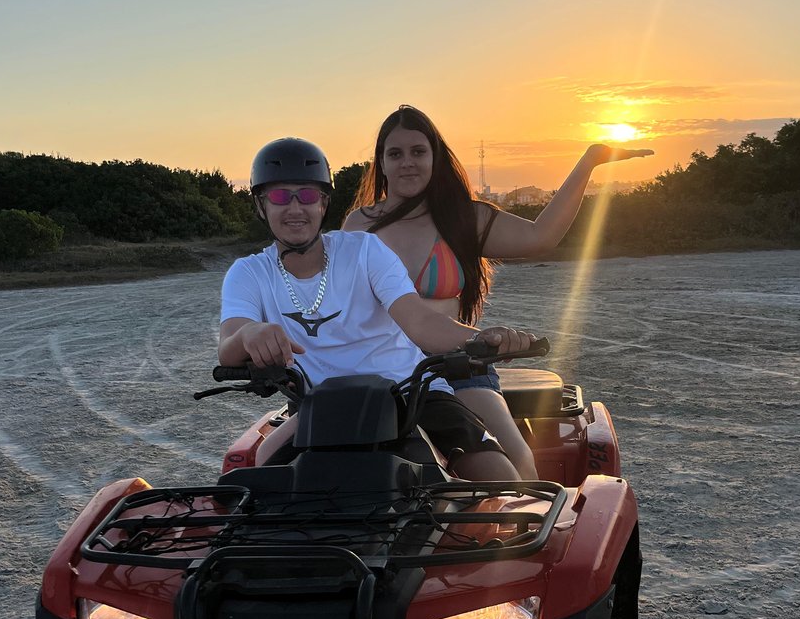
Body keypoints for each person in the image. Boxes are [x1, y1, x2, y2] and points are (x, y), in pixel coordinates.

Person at [343, 105, 654, 478]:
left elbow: (541, 236)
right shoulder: (360, 225)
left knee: (517, 463)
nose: (407, 162)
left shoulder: (464, 218)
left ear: (435, 158)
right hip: (381, 368)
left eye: (418, 151)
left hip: (455, 363)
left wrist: (589, 161)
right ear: (381, 163)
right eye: (395, 154)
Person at [218, 137, 537, 480]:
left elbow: (420, 321)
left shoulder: (365, 251)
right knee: (261, 485)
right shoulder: (249, 273)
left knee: (499, 478)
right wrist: (251, 334)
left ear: (324, 203)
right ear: (261, 204)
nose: (295, 208)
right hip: (319, 408)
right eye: (281, 196)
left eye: (307, 195)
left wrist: (480, 338)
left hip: (411, 395)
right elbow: (229, 346)